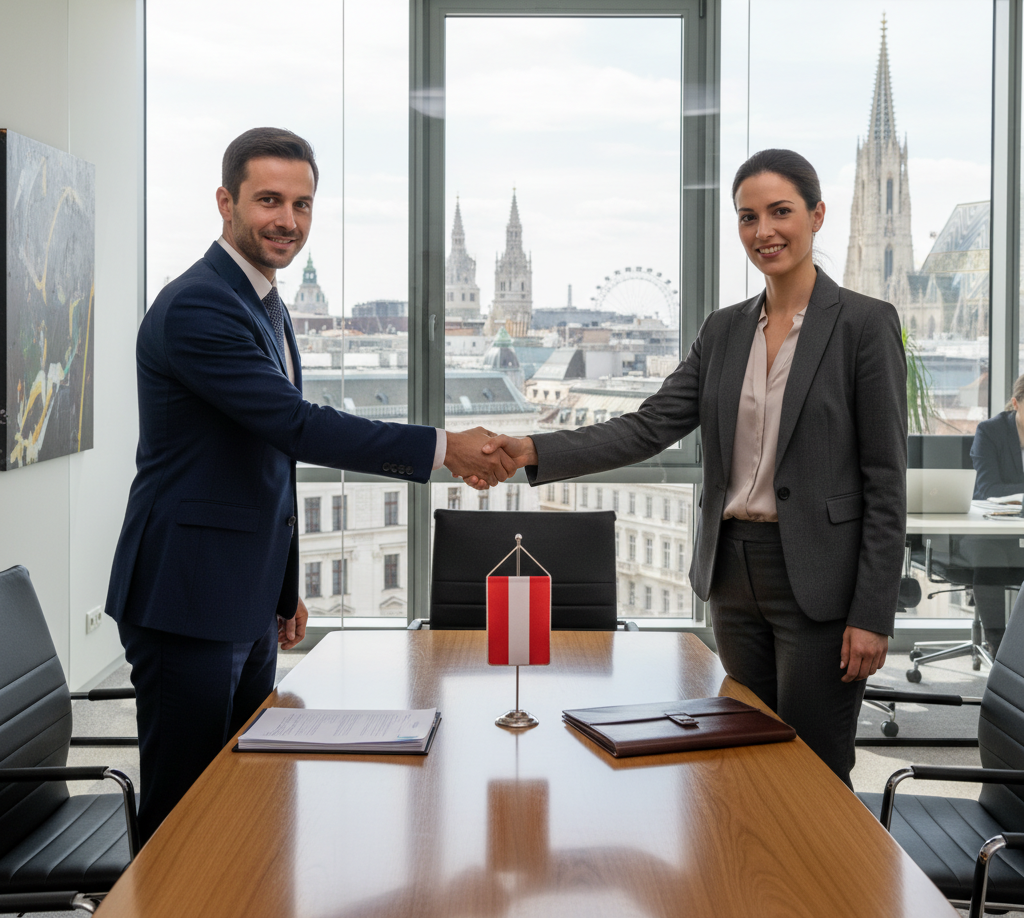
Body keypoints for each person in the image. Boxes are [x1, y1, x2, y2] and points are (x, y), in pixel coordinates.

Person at [106, 127, 513, 840]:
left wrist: (282, 589)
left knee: (244, 797)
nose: (286, 220)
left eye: (302, 203)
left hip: (241, 595)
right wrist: (446, 447)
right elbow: (298, 426)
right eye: (269, 199)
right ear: (225, 201)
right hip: (187, 596)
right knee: (186, 814)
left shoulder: (261, 299)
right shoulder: (201, 305)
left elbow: (267, 461)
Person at [476, 148, 907, 786]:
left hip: (820, 582)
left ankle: (824, 886)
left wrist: (873, 613)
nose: (764, 231)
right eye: (748, 217)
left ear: (817, 216)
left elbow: (885, 483)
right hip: (734, 575)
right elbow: (649, 426)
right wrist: (537, 450)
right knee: (738, 753)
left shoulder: (866, 326)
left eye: (780, 212)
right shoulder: (725, 329)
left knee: (815, 768)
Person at [964, 375, 1024, 653]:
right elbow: (988, 489)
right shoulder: (990, 431)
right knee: (991, 557)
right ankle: (999, 648)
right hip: (987, 533)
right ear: (1016, 403)